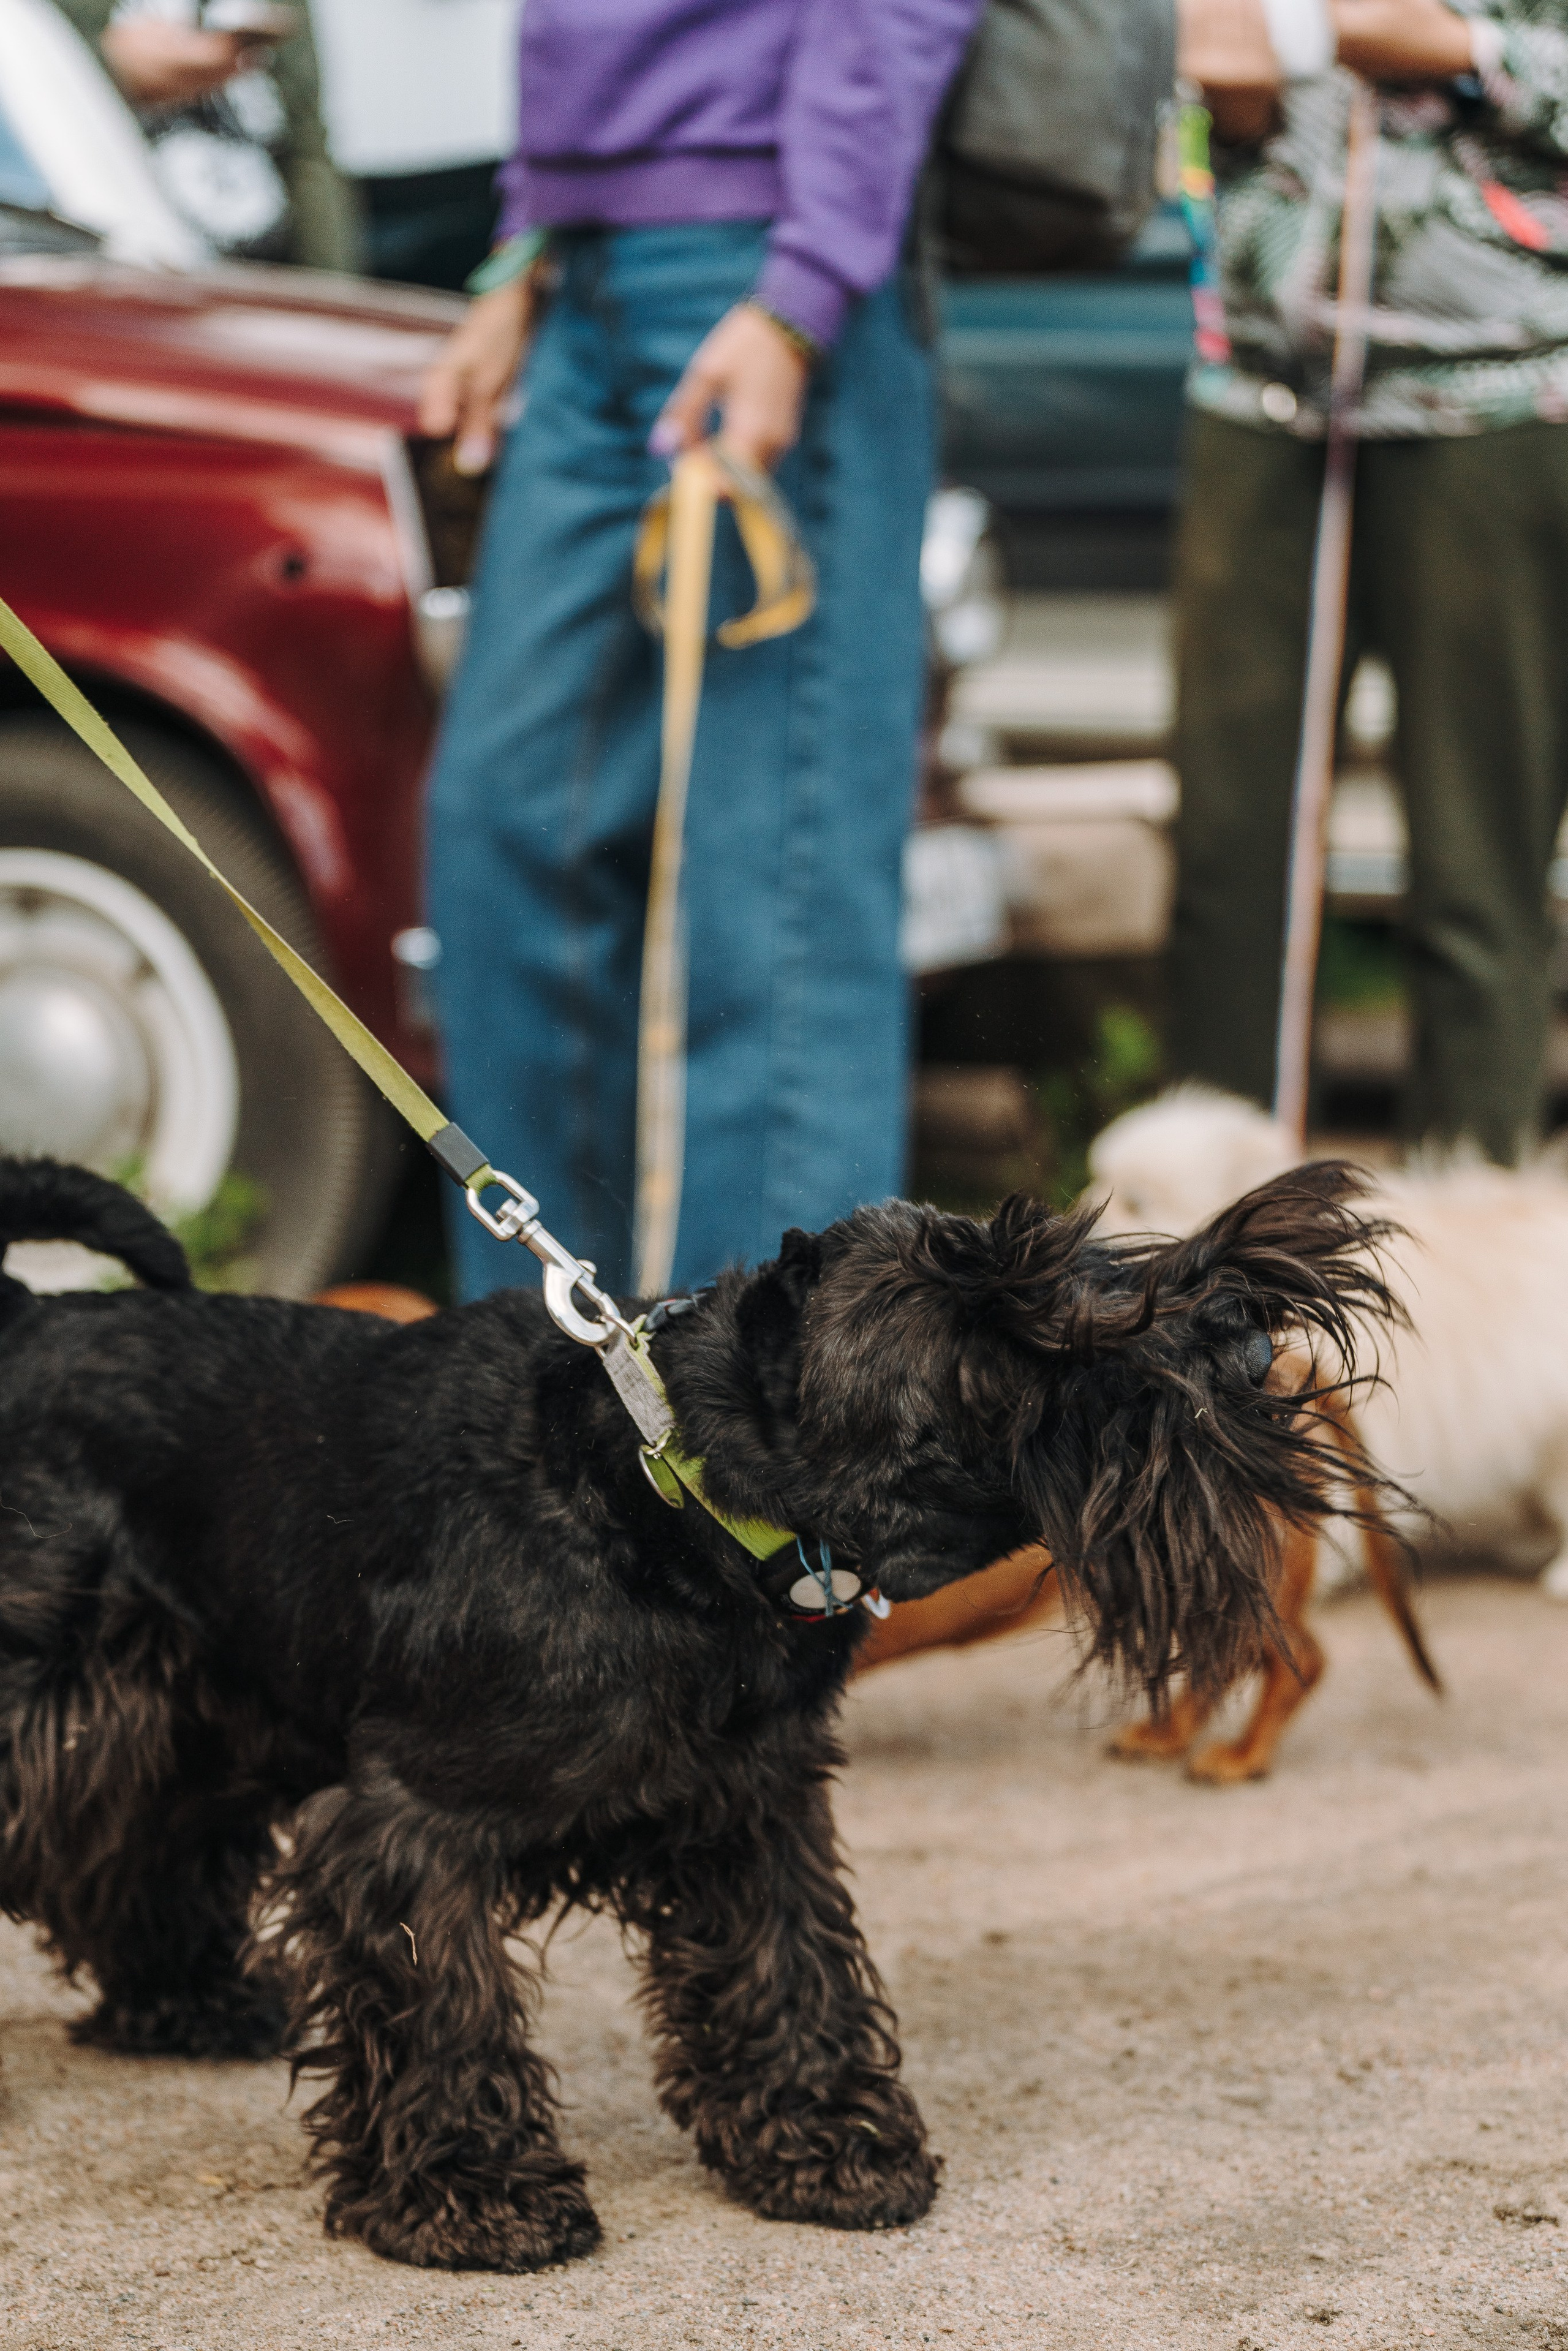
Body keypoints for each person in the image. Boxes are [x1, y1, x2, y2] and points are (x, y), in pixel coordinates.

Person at [420, 0, 984, 1302]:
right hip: (589, 259)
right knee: (506, 830)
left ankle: (774, 1470)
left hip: (771, 250)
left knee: (770, 914)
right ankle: (529, 1416)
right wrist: (527, 238)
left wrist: (806, 284)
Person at [1169, 0, 1568, 1160]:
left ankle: (1473, 1248)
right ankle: (1197, 1274)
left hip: (1493, 398)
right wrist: (1227, 83)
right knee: (1230, 858)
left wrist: (1458, 48)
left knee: (1476, 866)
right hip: (1259, 392)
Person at [56, 0, 355, 267]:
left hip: (268, 267)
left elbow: (306, 149)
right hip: (137, 272)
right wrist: (111, 63)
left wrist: (335, 294)